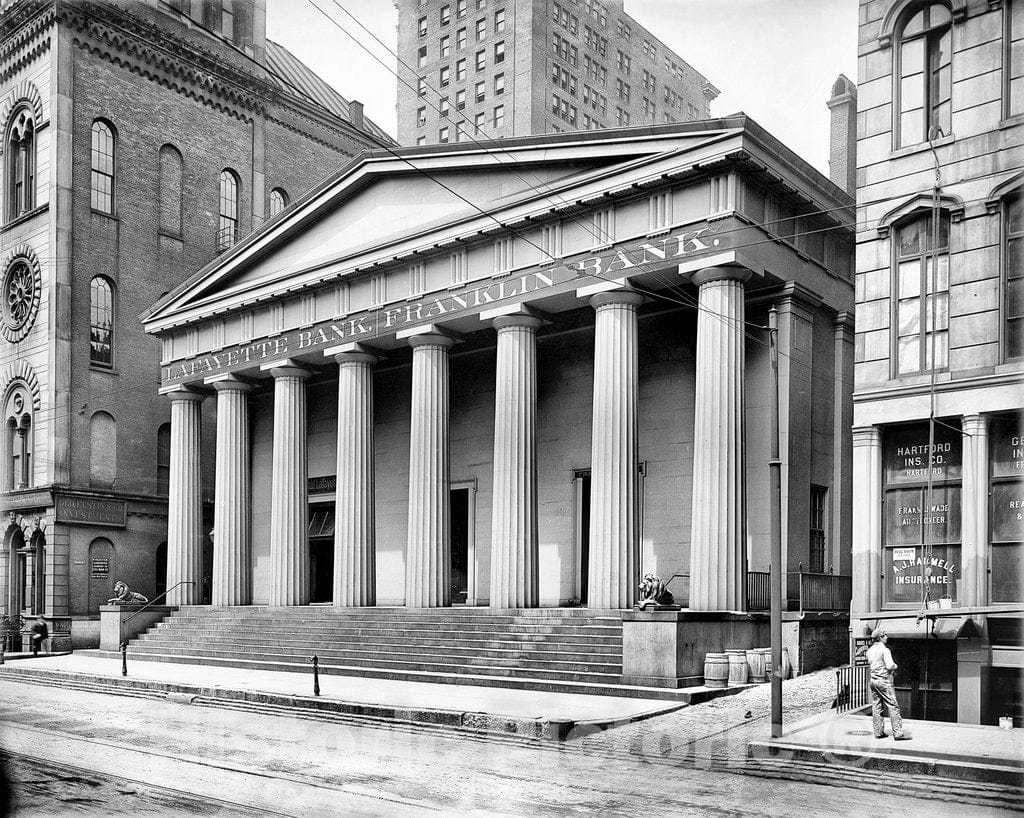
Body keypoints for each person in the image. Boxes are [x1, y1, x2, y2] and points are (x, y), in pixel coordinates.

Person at [866, 627, 911, 740]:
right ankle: (898, 733)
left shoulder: (869, 651)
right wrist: (896, 666)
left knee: (877, 706)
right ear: (880, 638)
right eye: (885, 635)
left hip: (873, 681)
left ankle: (878, 732)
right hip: (884, 681)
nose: (887, 637)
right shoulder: (885, 650)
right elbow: (890, 665)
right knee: (893, 706)